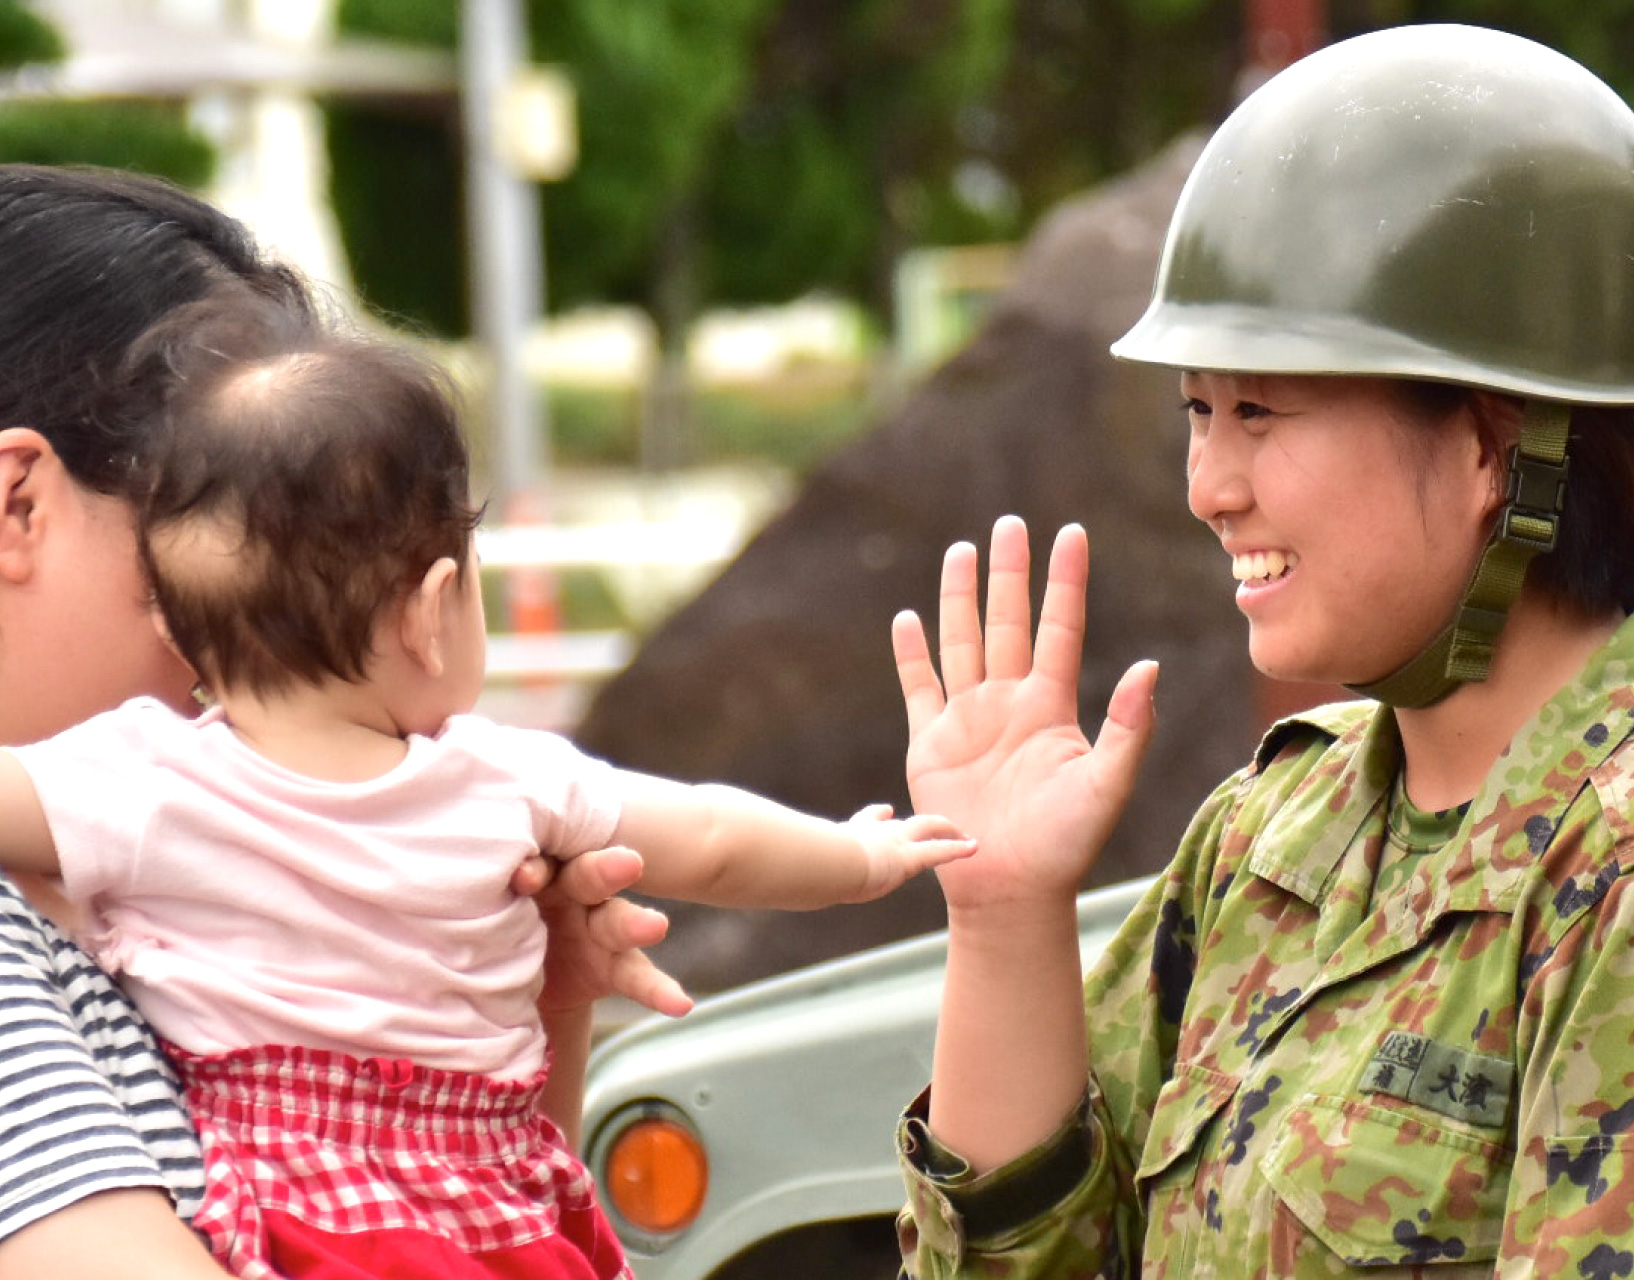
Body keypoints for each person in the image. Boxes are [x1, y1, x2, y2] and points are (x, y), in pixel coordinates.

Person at [889, 23, 1634, 1278]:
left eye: (1262, 409)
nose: (1211, 484)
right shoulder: (1273, 832)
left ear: (1492, 448)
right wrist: (1004, 918)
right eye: (1200, 410)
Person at [0, 291, 976, 1280]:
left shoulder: (141, 783)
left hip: (284, 1217)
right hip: (489, 1213)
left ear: (177, 630)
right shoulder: (506, 779)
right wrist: (859, 855)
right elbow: (716, 838)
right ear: (431, 610)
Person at [0, 164, 680, 1280]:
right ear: (22, 501)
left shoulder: (143, 900)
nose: (281, 643)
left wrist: (528, 1014)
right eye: (227, 558)